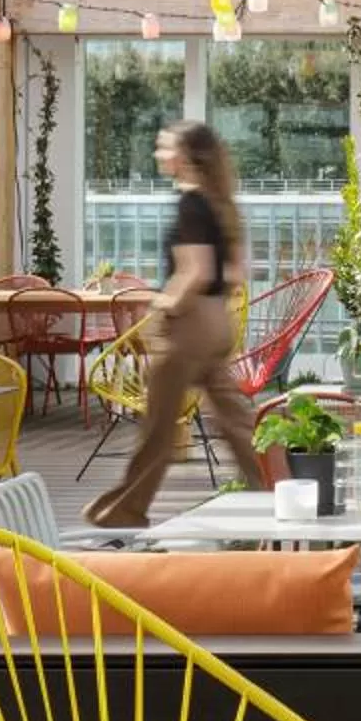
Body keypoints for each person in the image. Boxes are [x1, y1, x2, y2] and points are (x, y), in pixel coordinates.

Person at [84, 121, 265, 527]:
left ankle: (125, 511)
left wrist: (163, 305)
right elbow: (235, 272)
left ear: (183, 157)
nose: (158, 154)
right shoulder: (221, 204)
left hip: (190, 325)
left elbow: (195, 271)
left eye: (164, 147)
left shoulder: (191, 204)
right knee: (237, 423)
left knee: (158, 427)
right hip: (218, 322)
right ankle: (277, 485)